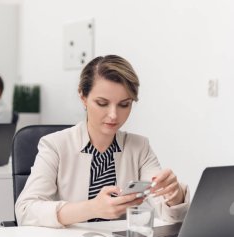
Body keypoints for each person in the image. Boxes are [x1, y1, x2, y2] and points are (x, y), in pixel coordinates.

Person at [15, 55, 190, 228]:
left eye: (124, 104)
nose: (114, 115)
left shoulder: (140, 147)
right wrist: (92, 208)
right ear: (83, 97)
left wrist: (175, 195)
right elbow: (25, 210)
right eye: (102, 103)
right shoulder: (55, 145)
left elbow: (170, 216)